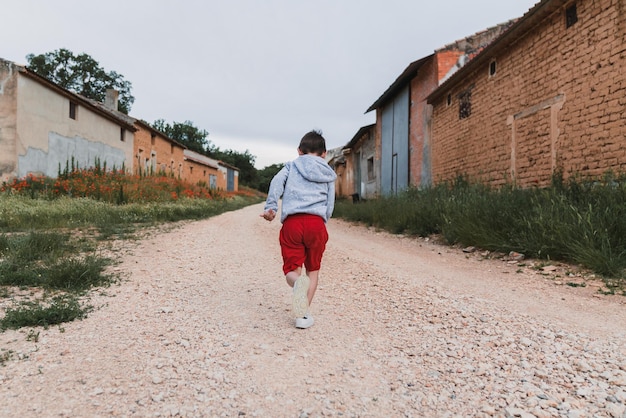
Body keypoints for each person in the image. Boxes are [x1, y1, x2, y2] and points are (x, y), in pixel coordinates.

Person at [260, 130, 337, 329]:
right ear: (324, 154)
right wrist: (323, 221)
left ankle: (296, 283)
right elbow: (330, 203)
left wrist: (271, 207)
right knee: (313, 270)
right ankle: (302, 316)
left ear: (299, 151)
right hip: (316, 224)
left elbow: (276, 183)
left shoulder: (291, 166)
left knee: (292, 271)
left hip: (293, 223)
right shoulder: (328, 172)